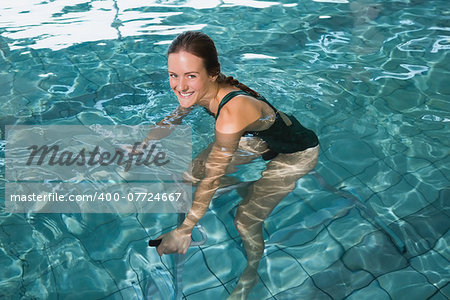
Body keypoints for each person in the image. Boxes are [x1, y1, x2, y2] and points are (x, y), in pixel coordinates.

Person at [151, 31, 319, 299]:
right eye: (174, 75)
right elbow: (175, 117)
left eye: (190, 75)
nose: (180, 85)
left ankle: (250, 275)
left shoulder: (230, 114)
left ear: (213, 73)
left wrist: (186, 229)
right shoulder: (200, 92)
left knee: (245, 220)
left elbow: (213, 176)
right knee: (189, 176)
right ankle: (249, 188)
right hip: (259, 140)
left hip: (295, 153)